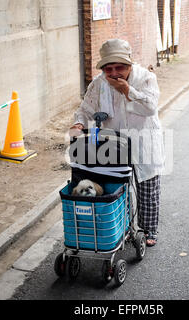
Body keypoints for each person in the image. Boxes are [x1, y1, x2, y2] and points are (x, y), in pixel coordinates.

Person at [70, 39, 164, 247]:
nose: (114, 73)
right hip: (113, 144)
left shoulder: (146, 78)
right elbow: (86, 109)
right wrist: (78, 123)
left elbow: (150, 107)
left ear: (129, 64)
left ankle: (149, 229)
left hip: (143, 140)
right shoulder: (99, 83)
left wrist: (127, 90)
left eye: (119, 67)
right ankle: (123, 227)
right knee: (119, 187)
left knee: (147, 187)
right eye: (108, 68)